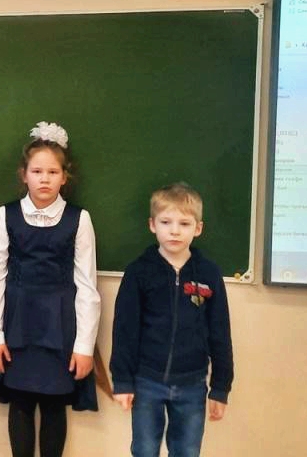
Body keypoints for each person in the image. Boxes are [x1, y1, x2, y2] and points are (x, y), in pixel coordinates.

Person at [0, 121, 101, 457]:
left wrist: (84, 346)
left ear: (65, 177)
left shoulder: (79, 219)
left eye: (52, 172)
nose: (44, 179)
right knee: (19, 401)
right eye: (37, 171)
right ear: (24, 175)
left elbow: (87, 286)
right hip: (17, 324)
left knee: (53, 404)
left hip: (60, 326)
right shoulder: (6, 215)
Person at [110, 182, 234, 457]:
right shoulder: (139, 272)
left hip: (193, 383)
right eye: (166, 222)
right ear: (152, 225)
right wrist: (122, 381)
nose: (174, 231)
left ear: (198, 228)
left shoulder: (209, 274)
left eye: (184, 224)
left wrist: (220, 387)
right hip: (147, 381)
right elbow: (125, 330)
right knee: (144, 450)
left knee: (187, 451)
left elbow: (220, 332)